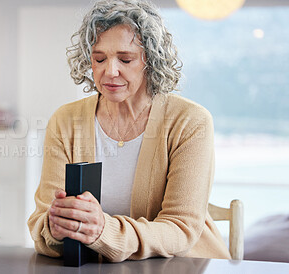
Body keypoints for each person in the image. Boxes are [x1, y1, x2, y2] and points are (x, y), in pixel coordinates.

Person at [28, 0, 231, 262]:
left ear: (152, 60)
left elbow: (180, 230)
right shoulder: (65, 121)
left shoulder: (190, 121)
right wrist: (55, 228)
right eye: (99, 58)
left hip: (181, 265)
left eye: (125, 59)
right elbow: (43, 223)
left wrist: (104, 230)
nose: (109, 71)